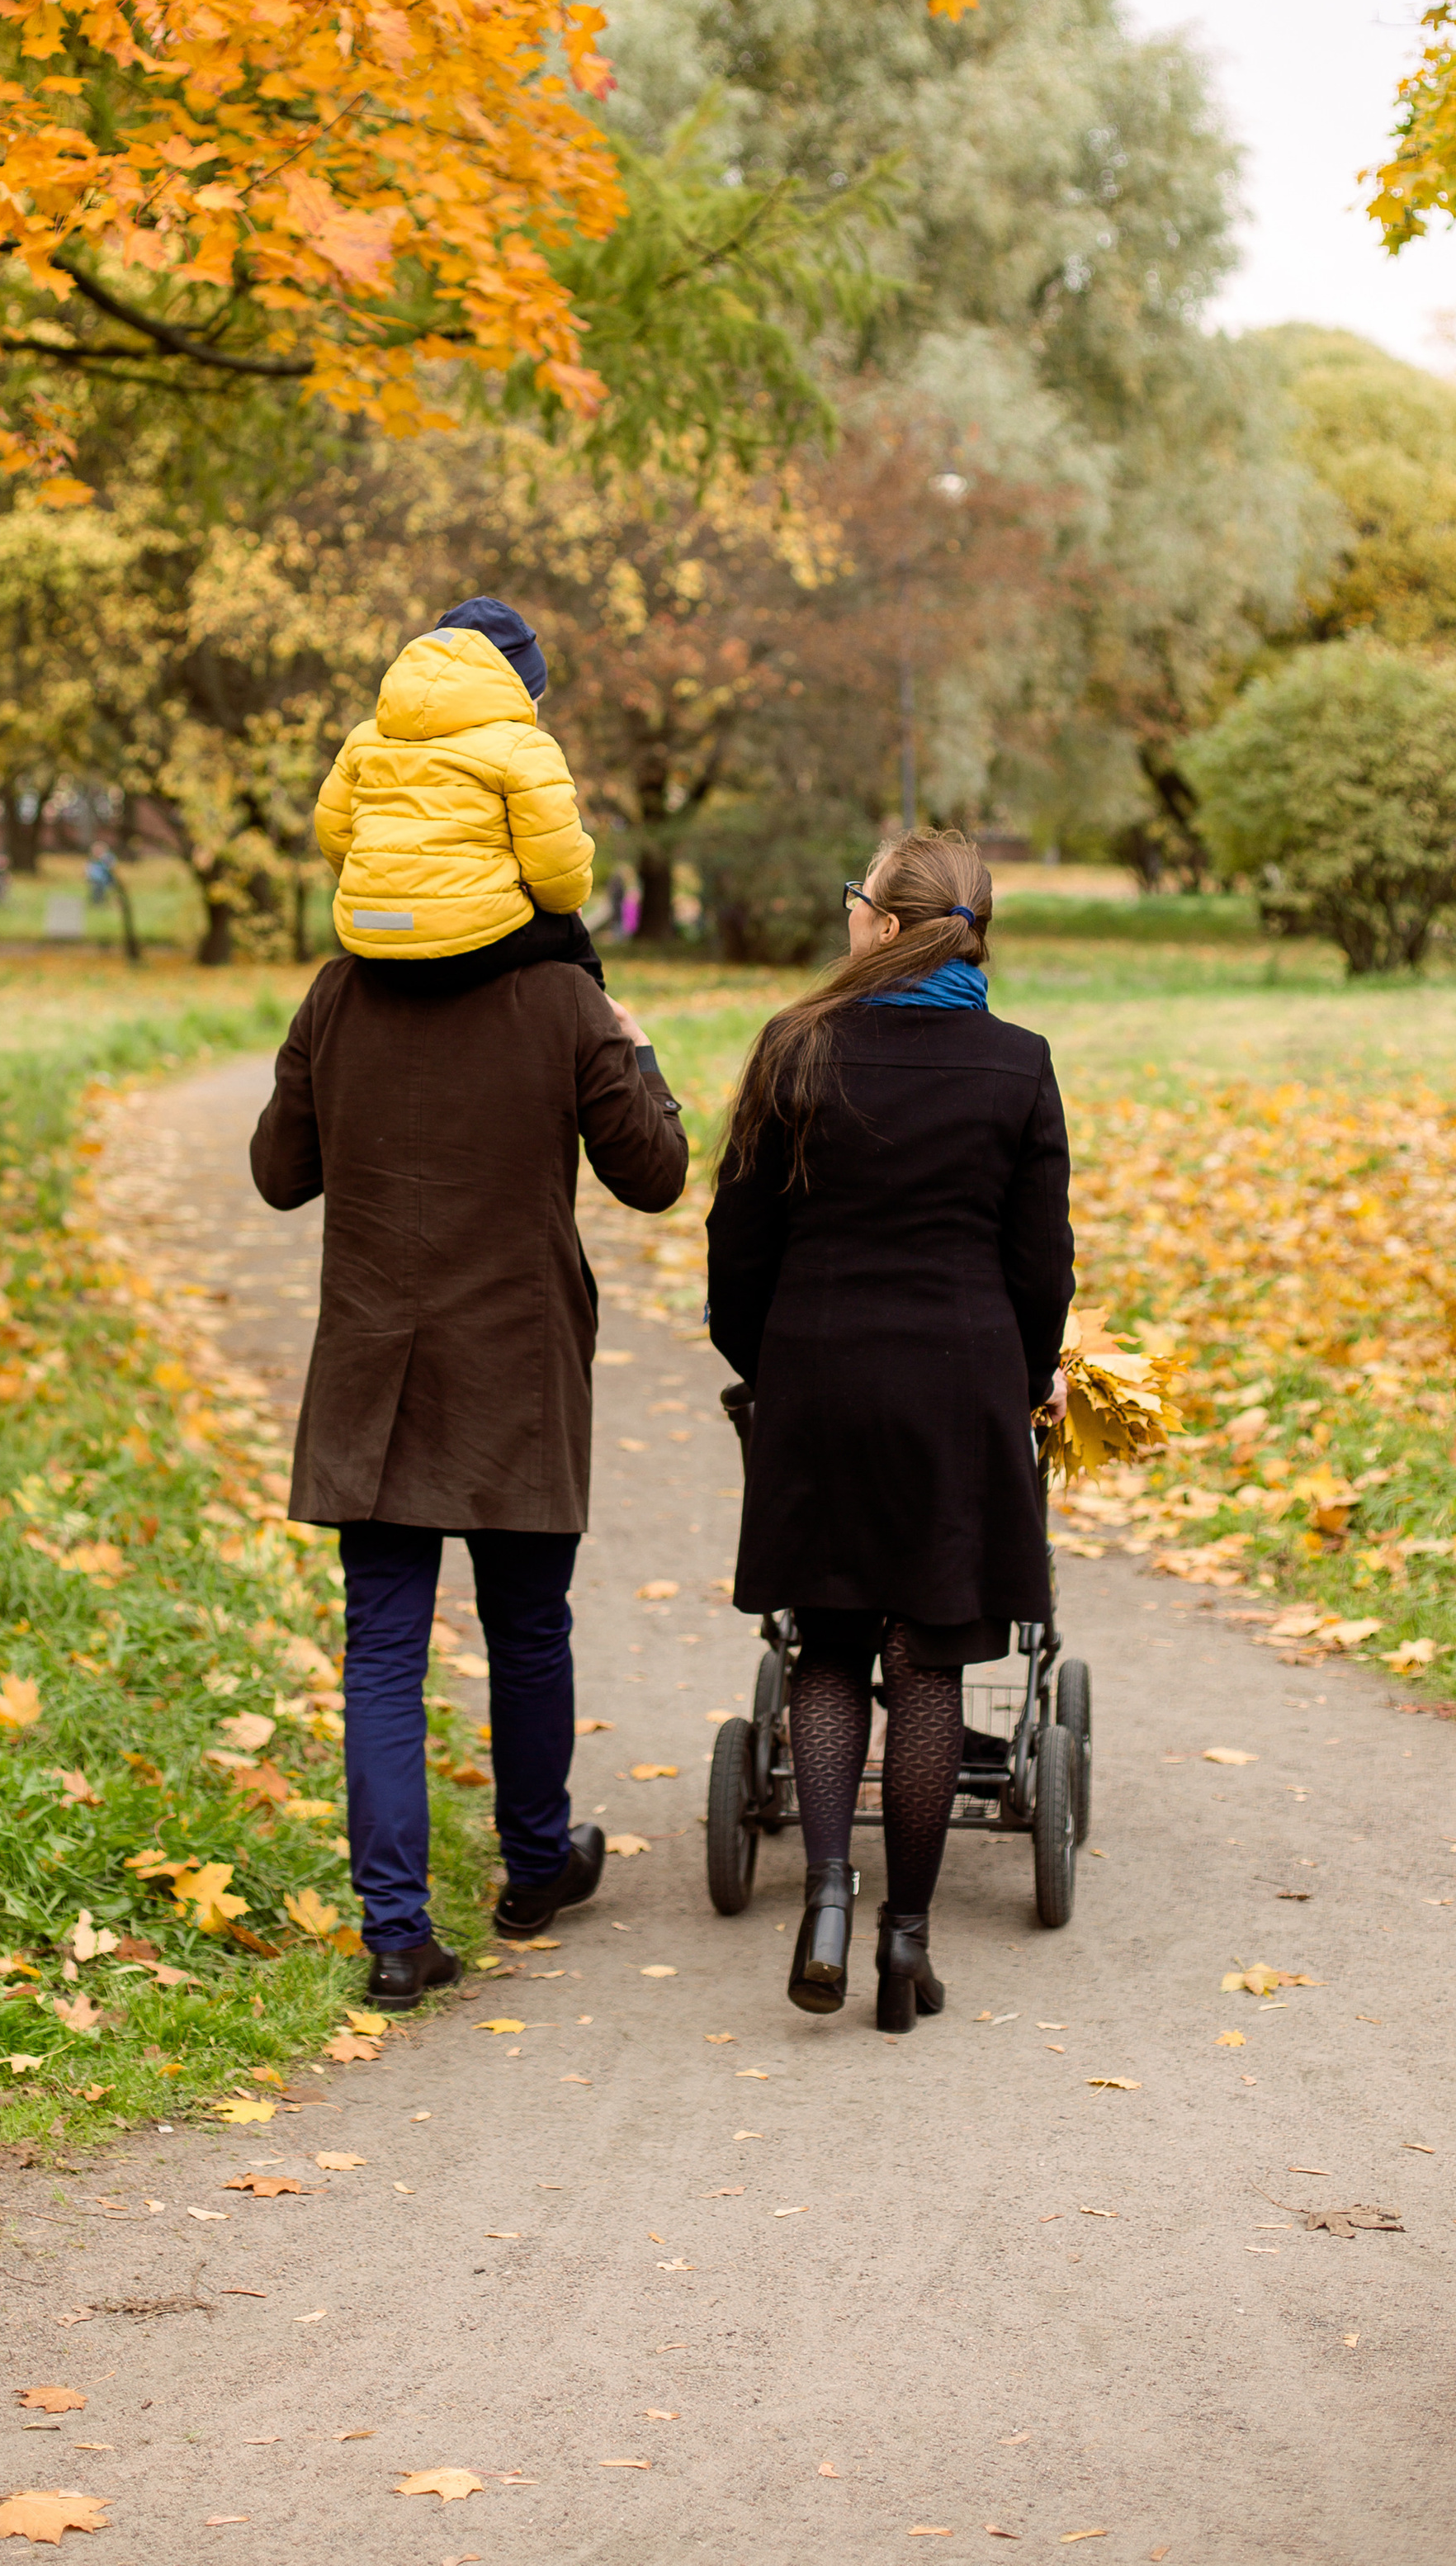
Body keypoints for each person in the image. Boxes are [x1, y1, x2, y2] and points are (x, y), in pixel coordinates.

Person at [249, 941, 688, 2008]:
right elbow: (656, 1174)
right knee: (528, 1628)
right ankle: (536, 1870)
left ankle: (397, 1937)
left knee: (385, 1647)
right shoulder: (562, 999)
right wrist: (635, 1050)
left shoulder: (342, 989)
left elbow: (278, 1173)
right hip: (516, 1369)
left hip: (375, 1373)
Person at [705, 828, 1074, 2032]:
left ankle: (823, 1897)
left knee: (827, 1650)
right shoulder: (1018, 1067)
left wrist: (778, 1371)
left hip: (818, 1382)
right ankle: (904, 1945)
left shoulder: (793, 1048)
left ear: (878, 925)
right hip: (958, 1395)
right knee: (927, 1665)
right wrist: (1030, 1380)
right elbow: (1038, 1270)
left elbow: (737, 1257)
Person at [313, 595, 606, 998]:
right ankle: (601, 1034)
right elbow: (557, 866)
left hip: (370, 930)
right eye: (538, 696)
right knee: (572, 932)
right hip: (470, 942)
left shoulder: (363, 740)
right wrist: (561, 902)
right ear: (515, 687)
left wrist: (382, 888)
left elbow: (332, 832)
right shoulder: (523, 746)